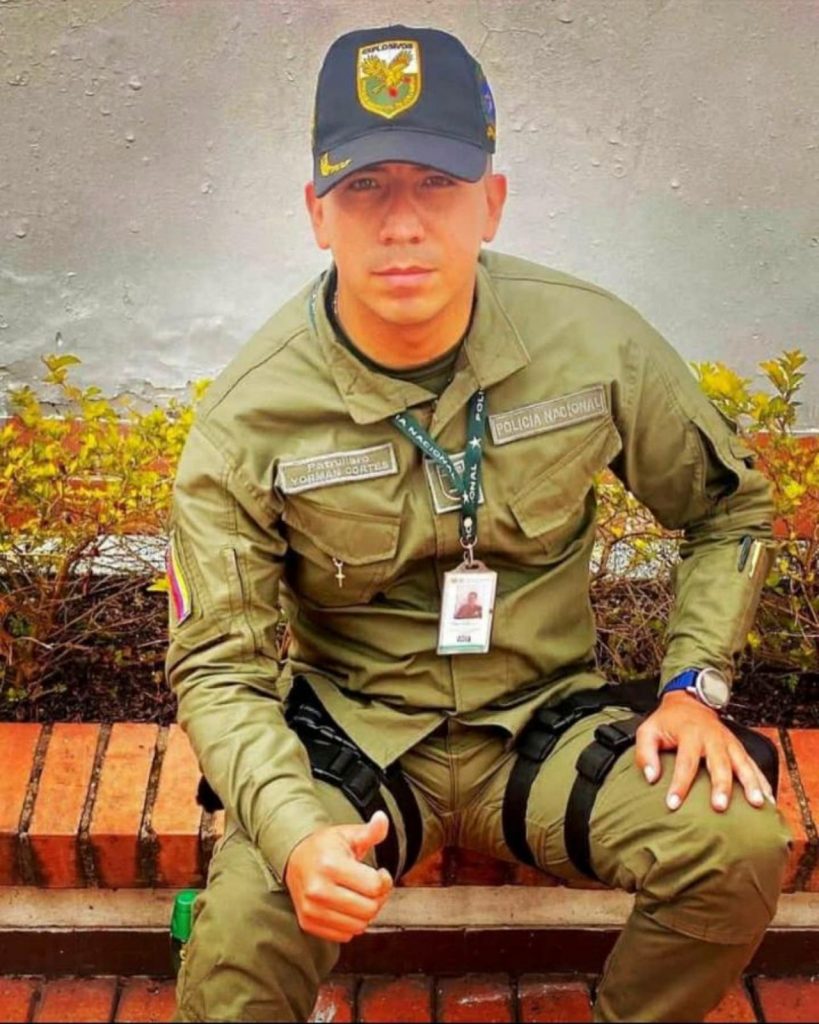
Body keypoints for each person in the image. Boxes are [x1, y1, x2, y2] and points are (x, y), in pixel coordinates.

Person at [166, 24, 791, 1023]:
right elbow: (218, 666)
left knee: (736, 842)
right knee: (241, 933)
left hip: (546, 725)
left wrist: (691, 688)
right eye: (364, 187)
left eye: (436, 183)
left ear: (490, 202)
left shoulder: (592, 342)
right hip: (358, 740)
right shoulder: (250, 418)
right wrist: (292, 832)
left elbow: (729, 506)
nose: (402, 224)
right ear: (316, 213)